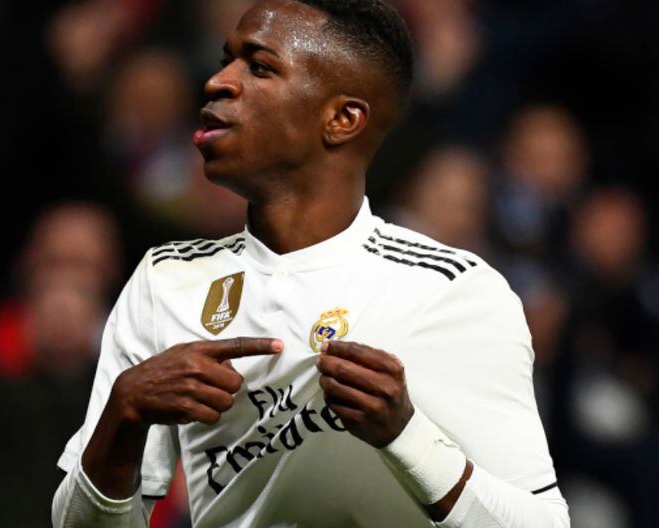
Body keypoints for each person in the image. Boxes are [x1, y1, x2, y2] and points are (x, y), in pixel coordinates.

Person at [52, 1, 569, 526]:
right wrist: (123, 414)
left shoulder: (451, 290)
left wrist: (406, 435)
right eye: (226, 60)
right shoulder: (166, 282)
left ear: (342, 119)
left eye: (258, 67)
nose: (217, 82)